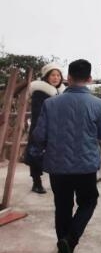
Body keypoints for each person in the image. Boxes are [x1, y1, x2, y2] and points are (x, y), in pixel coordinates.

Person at [32, 59, 101, 253]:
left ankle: (64, 247)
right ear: (89, 78)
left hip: (57, 166)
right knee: (88, 201)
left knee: (62, 205)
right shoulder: (99, 105)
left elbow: (39, 135)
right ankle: (71, 239)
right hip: (85, 166)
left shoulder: (50, 104)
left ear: (67, 78)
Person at [25, 62, 65, 194]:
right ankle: (36, 183)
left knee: (56, 156)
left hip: (57, 129)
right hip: (40, 127)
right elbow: (38, 112)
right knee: (36, 154)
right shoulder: (40, 92)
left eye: (58, 75)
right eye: (53, 75)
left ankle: (58, 183)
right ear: (47, 76)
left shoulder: (62, 92)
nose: (56, 78)